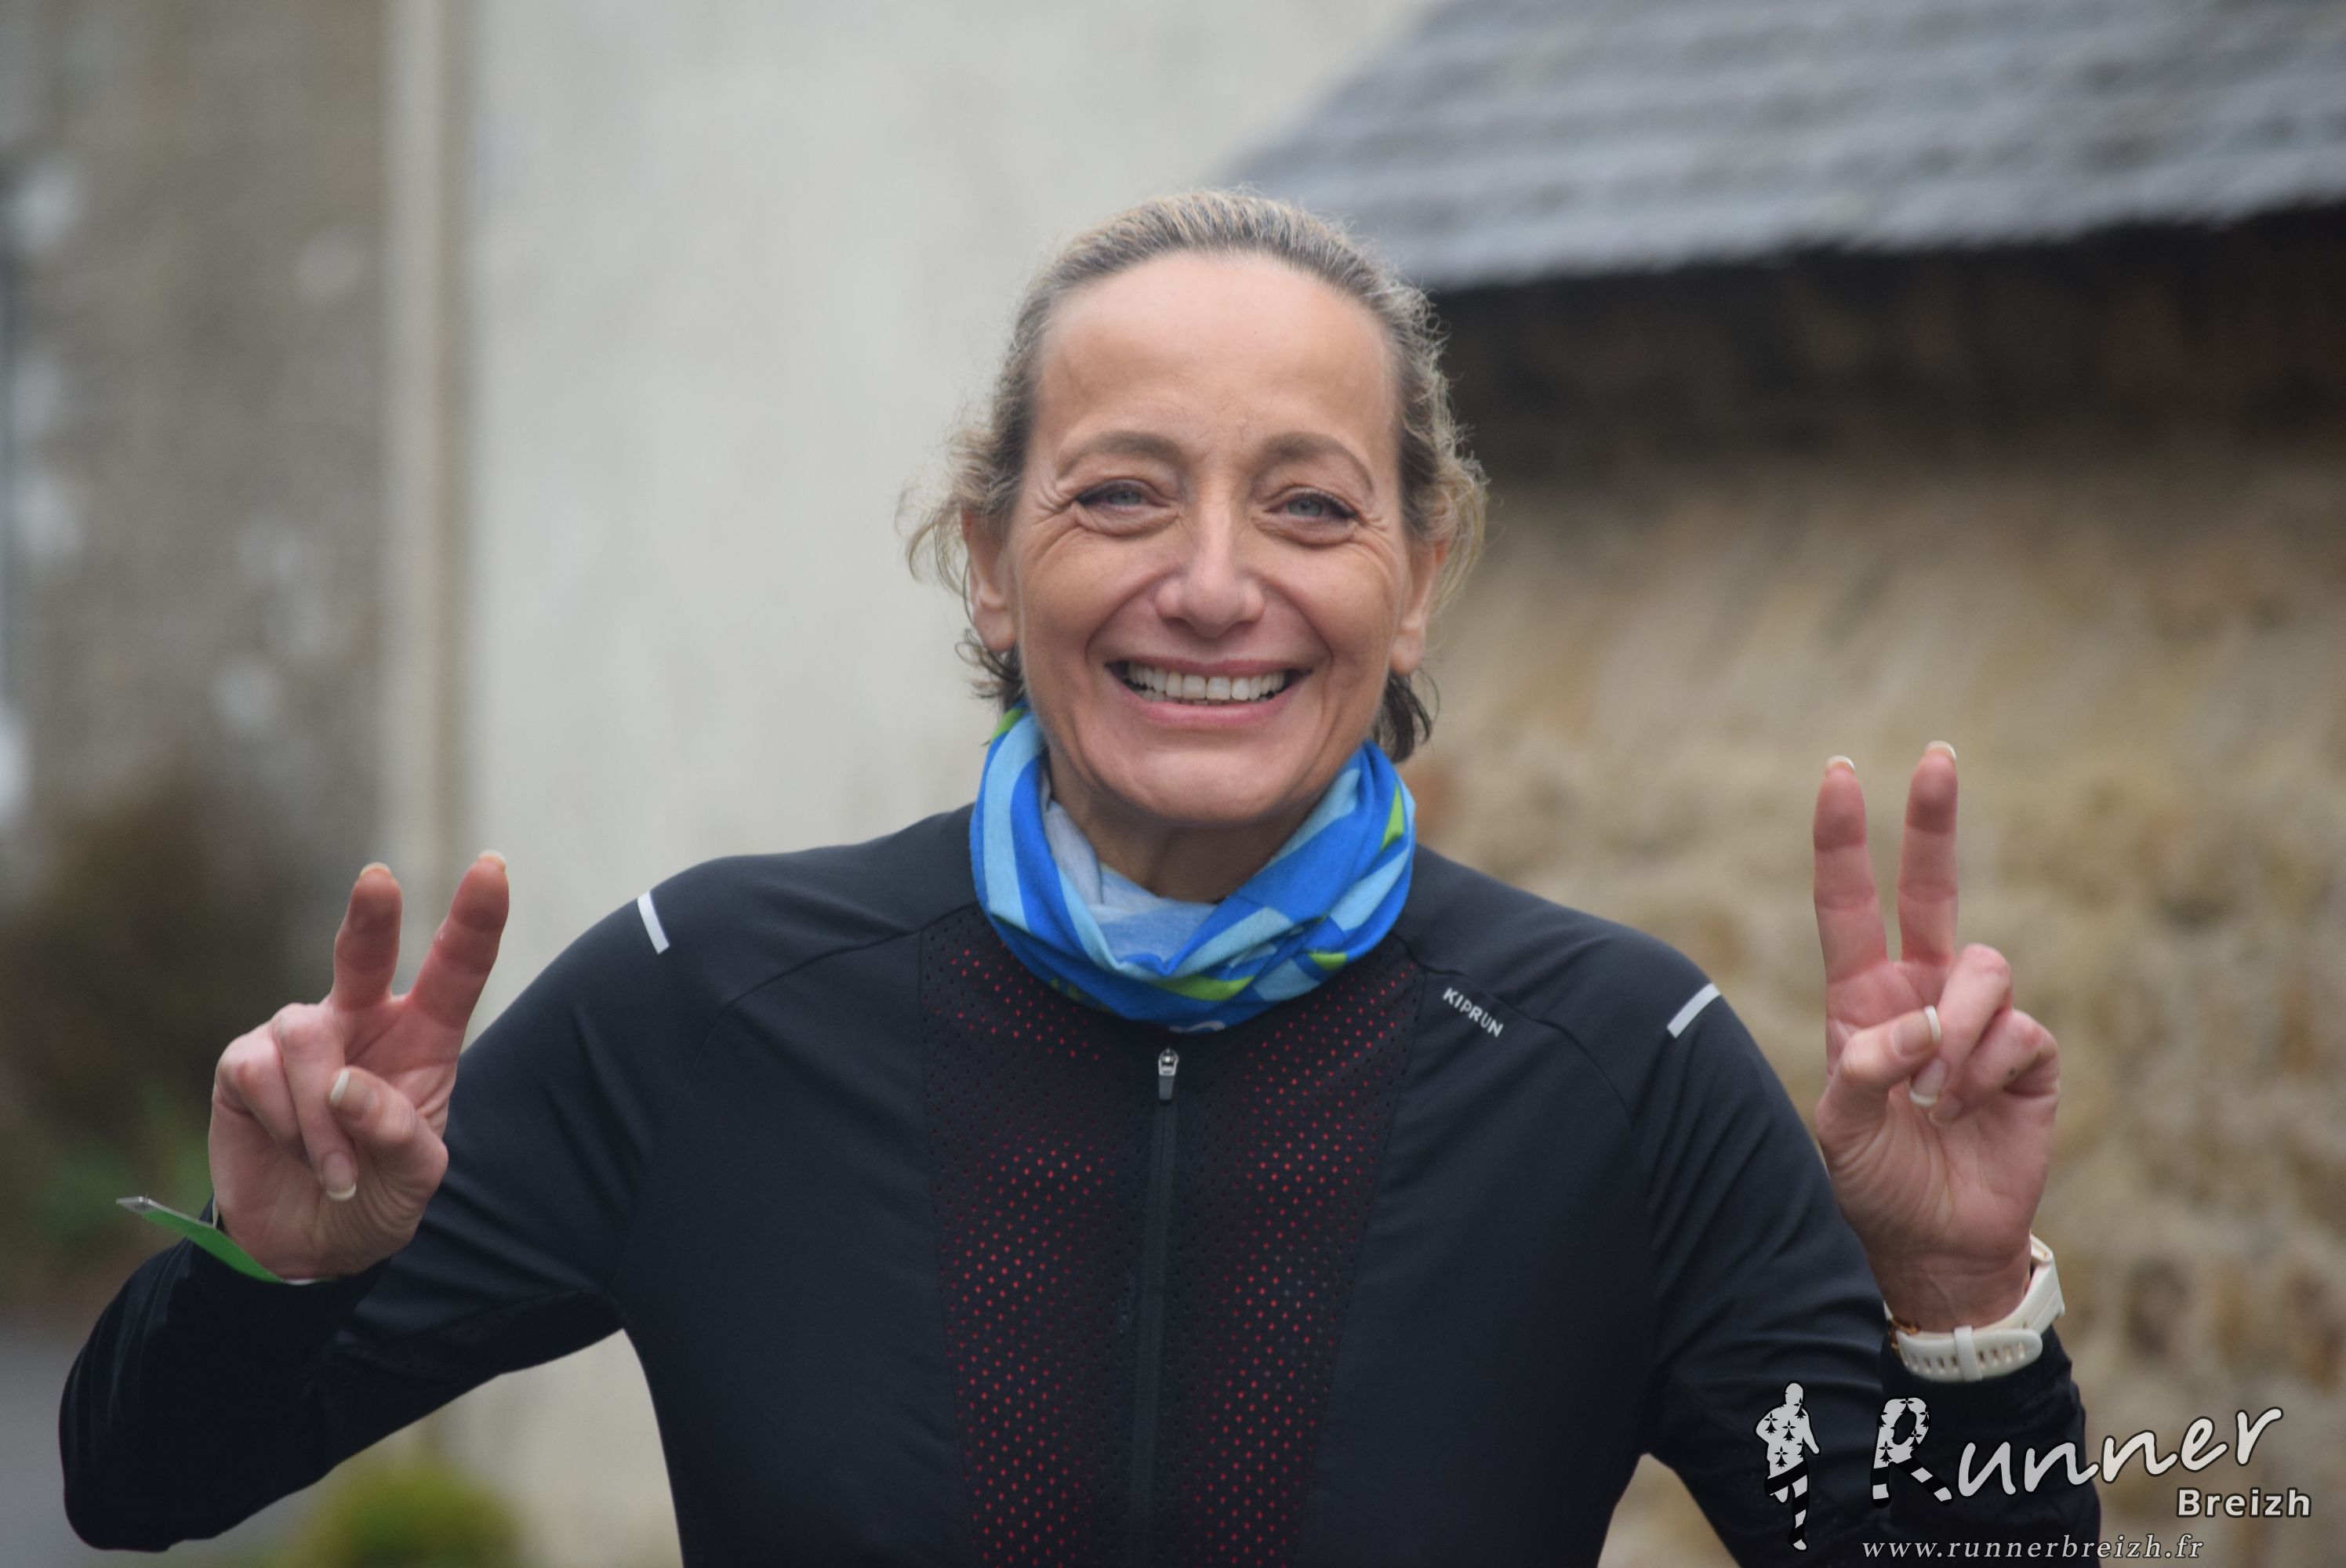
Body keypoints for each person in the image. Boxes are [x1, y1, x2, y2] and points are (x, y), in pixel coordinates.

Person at [60, 191, 2097, 1566]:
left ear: (1419, 574)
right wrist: (271, 1278)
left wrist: (1959, 1313)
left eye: (1308, 506)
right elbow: (138, 1483)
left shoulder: (1620, 1064)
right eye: (1121, 494)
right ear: (987, 556)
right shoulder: (710, 999)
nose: (1210, 583)